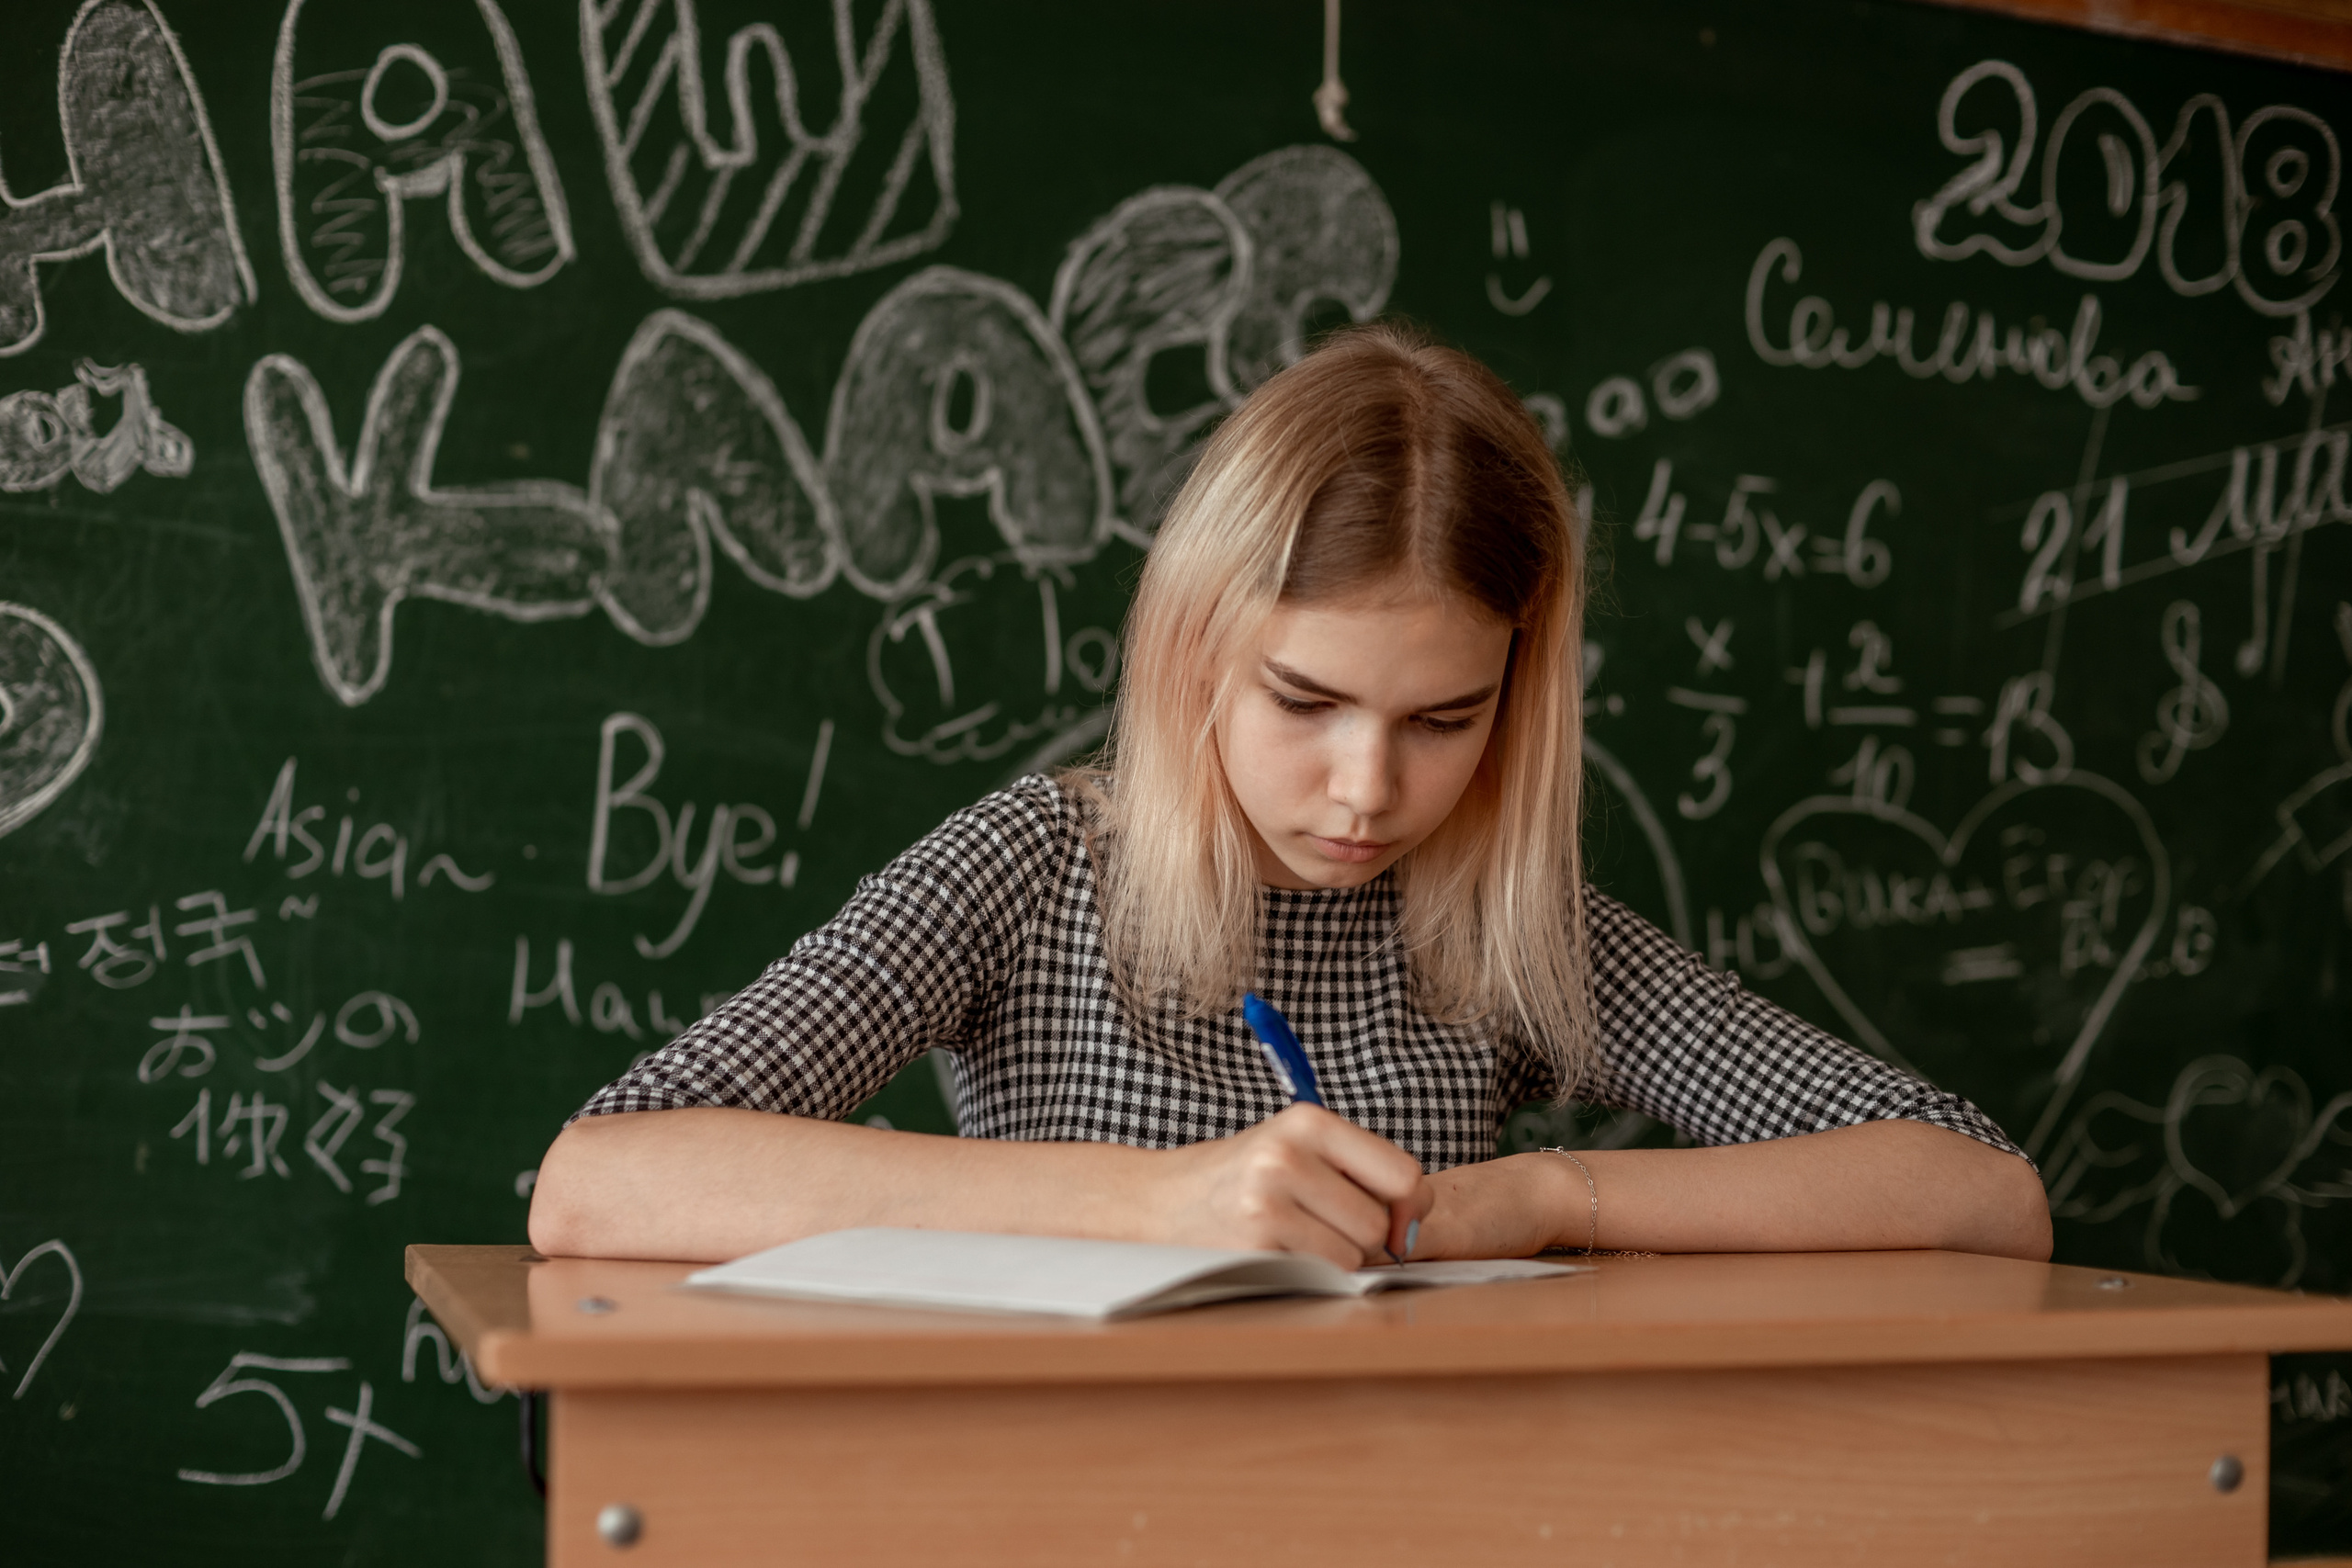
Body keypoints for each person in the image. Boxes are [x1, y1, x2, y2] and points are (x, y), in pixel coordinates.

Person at [528, 323, 2052, 1269]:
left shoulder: (1498, 922)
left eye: (1445, 719)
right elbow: (602, 1184)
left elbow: (1983, 1195)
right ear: (1197, 650)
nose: (1370, 789)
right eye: (1305, 702)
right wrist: (1154, 1206)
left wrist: (1551, 1197)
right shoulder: (1036, 871)